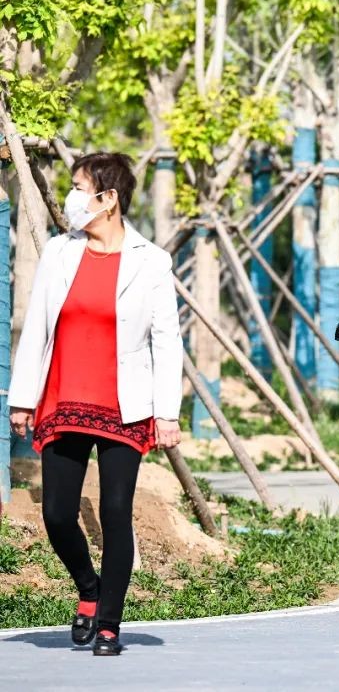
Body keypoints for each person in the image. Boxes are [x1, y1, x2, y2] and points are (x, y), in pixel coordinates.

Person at [9, 153, 183, 655]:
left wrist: (166, 412)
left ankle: (109, 623)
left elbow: (166, 339)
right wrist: (23, 400)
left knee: (115, 512)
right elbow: (38, 326)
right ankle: (89, 589)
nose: (72, 195)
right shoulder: (61, 253)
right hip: (63, 398)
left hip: (123, 405)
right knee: (59, 515)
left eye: (79, 186)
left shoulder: (151, 261)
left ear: (108, 199)